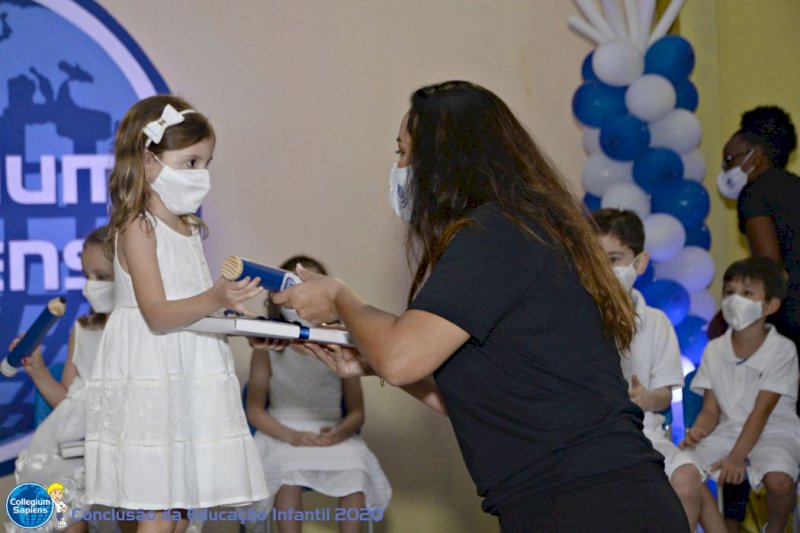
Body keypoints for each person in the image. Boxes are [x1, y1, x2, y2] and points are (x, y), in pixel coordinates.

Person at [273, 80, 689, 532]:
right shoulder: (517, 228)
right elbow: (486, 403)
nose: (399, 167)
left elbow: (400, 356)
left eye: (404, 152)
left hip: (594, 503)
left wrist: (339, 297)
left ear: (443, 160)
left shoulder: (496, 234)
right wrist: (368, 358)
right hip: (568, 502)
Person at [83, 95, 268, 533]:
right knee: (158, 507)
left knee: (180, 510)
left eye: (206, 162)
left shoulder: (187, 226)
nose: (201, 174)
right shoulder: (137, 225)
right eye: (190, 162)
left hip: (188, 364)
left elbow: (194, 307)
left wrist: (241, 322)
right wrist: (216, 295)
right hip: (153, 366)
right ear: (148, 160)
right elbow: (159, 314)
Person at [591, 208, 727, 532]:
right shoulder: (577, 316)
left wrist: (645, 398)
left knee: (687, 476)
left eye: (614, 259)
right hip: (594, 437)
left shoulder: (655, 322)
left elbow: (666, 397)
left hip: (646, 435)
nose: (603, 270)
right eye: (595, 260)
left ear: (639, 263)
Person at [245, 256, 391, 533]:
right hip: (282, 434)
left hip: (332, 433)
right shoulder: (267, 349)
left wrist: (340, 432)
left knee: (357, 467)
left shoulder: (341, 345)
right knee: (286, 472)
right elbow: (255, 410)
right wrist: (294, 437)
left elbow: (357, 411)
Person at [679, 257, 800, 533]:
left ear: (769, 305)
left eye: (747, 294)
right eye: (730, 292)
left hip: (774, 430)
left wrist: (736, 457)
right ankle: (720, 527)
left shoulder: (782, 350)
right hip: (730, 430)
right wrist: (698, 430)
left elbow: (762, 411)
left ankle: (777, 527)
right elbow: (711, 411)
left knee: (779, 481)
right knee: (683, 469)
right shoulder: (714, 350)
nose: (735, 300)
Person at [8, 226, 113, 533]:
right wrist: (38, 368)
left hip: (122, 445)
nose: (91, 285)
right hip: (74, 447)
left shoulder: (143, 333)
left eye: (102, 276)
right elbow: (68, 401)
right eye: (87, 276)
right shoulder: (82, 330)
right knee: (67, 510)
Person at [717, 107, 800, 402]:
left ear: (758, 157)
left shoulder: (755, 194)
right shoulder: (794, 186)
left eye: (730, 160)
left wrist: (725, 313)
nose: (726, 170)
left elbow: (769, 267)